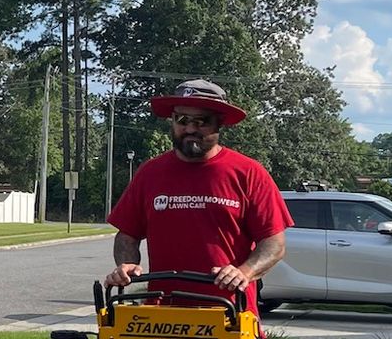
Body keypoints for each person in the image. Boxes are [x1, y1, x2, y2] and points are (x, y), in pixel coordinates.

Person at [104, 78, 289, 312]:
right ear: (171, 120)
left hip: (229, 315)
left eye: (201, 121)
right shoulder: (150, 172)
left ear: (219, 123)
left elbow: (274, 243)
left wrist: (244, 272)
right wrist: (127, 264)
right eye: (182, 120)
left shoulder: (249, 173)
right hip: (163, 316)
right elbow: (127, 235)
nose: (190, 129)